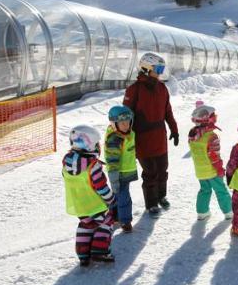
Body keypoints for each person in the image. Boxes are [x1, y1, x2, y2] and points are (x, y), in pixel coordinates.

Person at [123, 52, 179, 215]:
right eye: (158, 68)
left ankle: (161, 196)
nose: (161, 72)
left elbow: (168, 111)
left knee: (163, 170)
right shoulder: (134, 89)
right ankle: (151, 203)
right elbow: (125, 116)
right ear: (146, 68)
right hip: (142, 137)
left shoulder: (162, 88)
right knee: (150, 172)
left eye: (162, 68)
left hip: (159, 137)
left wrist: (174, 129)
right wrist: (126, 139)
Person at [62, 124, 116, 267]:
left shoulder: (66, 163)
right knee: (106, 222)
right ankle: (100, 251)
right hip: (96, 204)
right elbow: (101, 187)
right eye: (97, 144)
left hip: (79, 206)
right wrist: (111, 199)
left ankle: (83, 255)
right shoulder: (92, 165)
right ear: (90, 145)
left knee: (86, 225)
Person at [188, 102, 232, 221]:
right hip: (212, 171)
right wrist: (220, 170)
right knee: (220, 190)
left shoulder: (192, 135)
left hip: (200, 171)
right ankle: (229, 211)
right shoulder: (212, 137)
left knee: (204, 190)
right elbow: (214, 157)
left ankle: (202, 212)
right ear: (208, 120)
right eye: (214, 116)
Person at [104, 105, 138, 233]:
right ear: (114, 124)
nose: (125, 125)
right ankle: (125, 221)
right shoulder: (115, 139)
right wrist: (114, 179)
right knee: (123, 197)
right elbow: (112, 161)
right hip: (119, 173)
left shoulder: (127, 134)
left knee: (118, 195)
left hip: (126, 170)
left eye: (128, 122)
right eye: (122, 123)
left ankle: (115, 216)